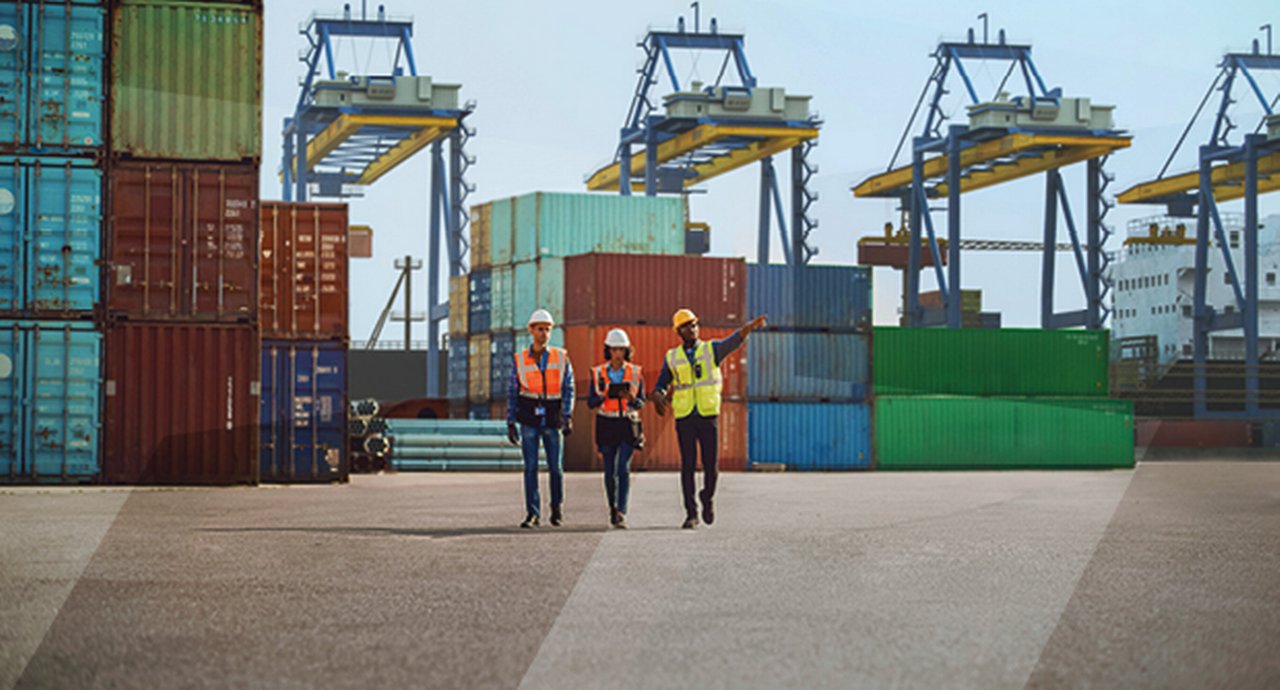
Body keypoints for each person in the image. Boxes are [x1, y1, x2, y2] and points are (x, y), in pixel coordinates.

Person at [651, 309, 766, 529]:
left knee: (711, 467)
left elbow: (732, 342)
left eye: (694, 324)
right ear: (679, 331)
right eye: (687, 326)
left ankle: (707, 497)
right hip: (685, 417)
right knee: (687, 466)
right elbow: (661, 384)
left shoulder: (710, 350)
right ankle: (691, 514)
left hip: (707, 415)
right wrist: (658, 394)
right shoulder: (672, 357)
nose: (692, 328)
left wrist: (748, 328)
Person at [506, 309, 574, 529]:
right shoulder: (519, 360)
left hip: (553, 418)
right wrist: (510, 421)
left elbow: (568, 388)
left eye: (547, 329)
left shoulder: (561, 356)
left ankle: (556, 508)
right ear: (531, 330)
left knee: (556, 467)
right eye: (540, 329)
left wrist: (568, 415)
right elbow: (512, 391)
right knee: (531, 467)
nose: (544, 333)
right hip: (528, 418)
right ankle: (532, 514)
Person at [587, 328, 646, 529]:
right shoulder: (597, 373)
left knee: (623, 468)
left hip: (628, 424)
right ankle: (612, 507)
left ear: (627, 350)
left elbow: (641, 402)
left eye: (621, 349)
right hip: (606, 423)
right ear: (608, 350)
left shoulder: (636, 372)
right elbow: (590, 402)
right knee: (609, 471)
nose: (618, 354)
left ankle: (622, 511)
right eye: (614, 350)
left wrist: (632, 399)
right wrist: (604, 396)